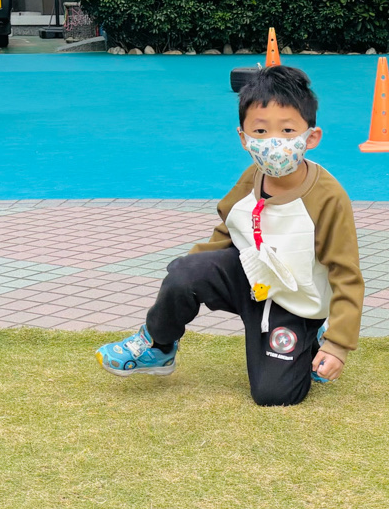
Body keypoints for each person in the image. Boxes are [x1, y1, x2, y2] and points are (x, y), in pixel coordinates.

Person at [95, 65, 364, 406]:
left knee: (274, 395)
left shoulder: (328, 197)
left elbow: (346, 274)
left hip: (293, 302)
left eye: (287, 130)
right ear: (244, 137)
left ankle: (311, 337)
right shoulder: (251, 177)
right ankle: (158, 346)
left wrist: (338, 344)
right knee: (184, 272)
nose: (273, 143)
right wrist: (186, 276)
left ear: (310, 137)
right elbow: (228, 228)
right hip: (250, 280)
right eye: (261, 131)